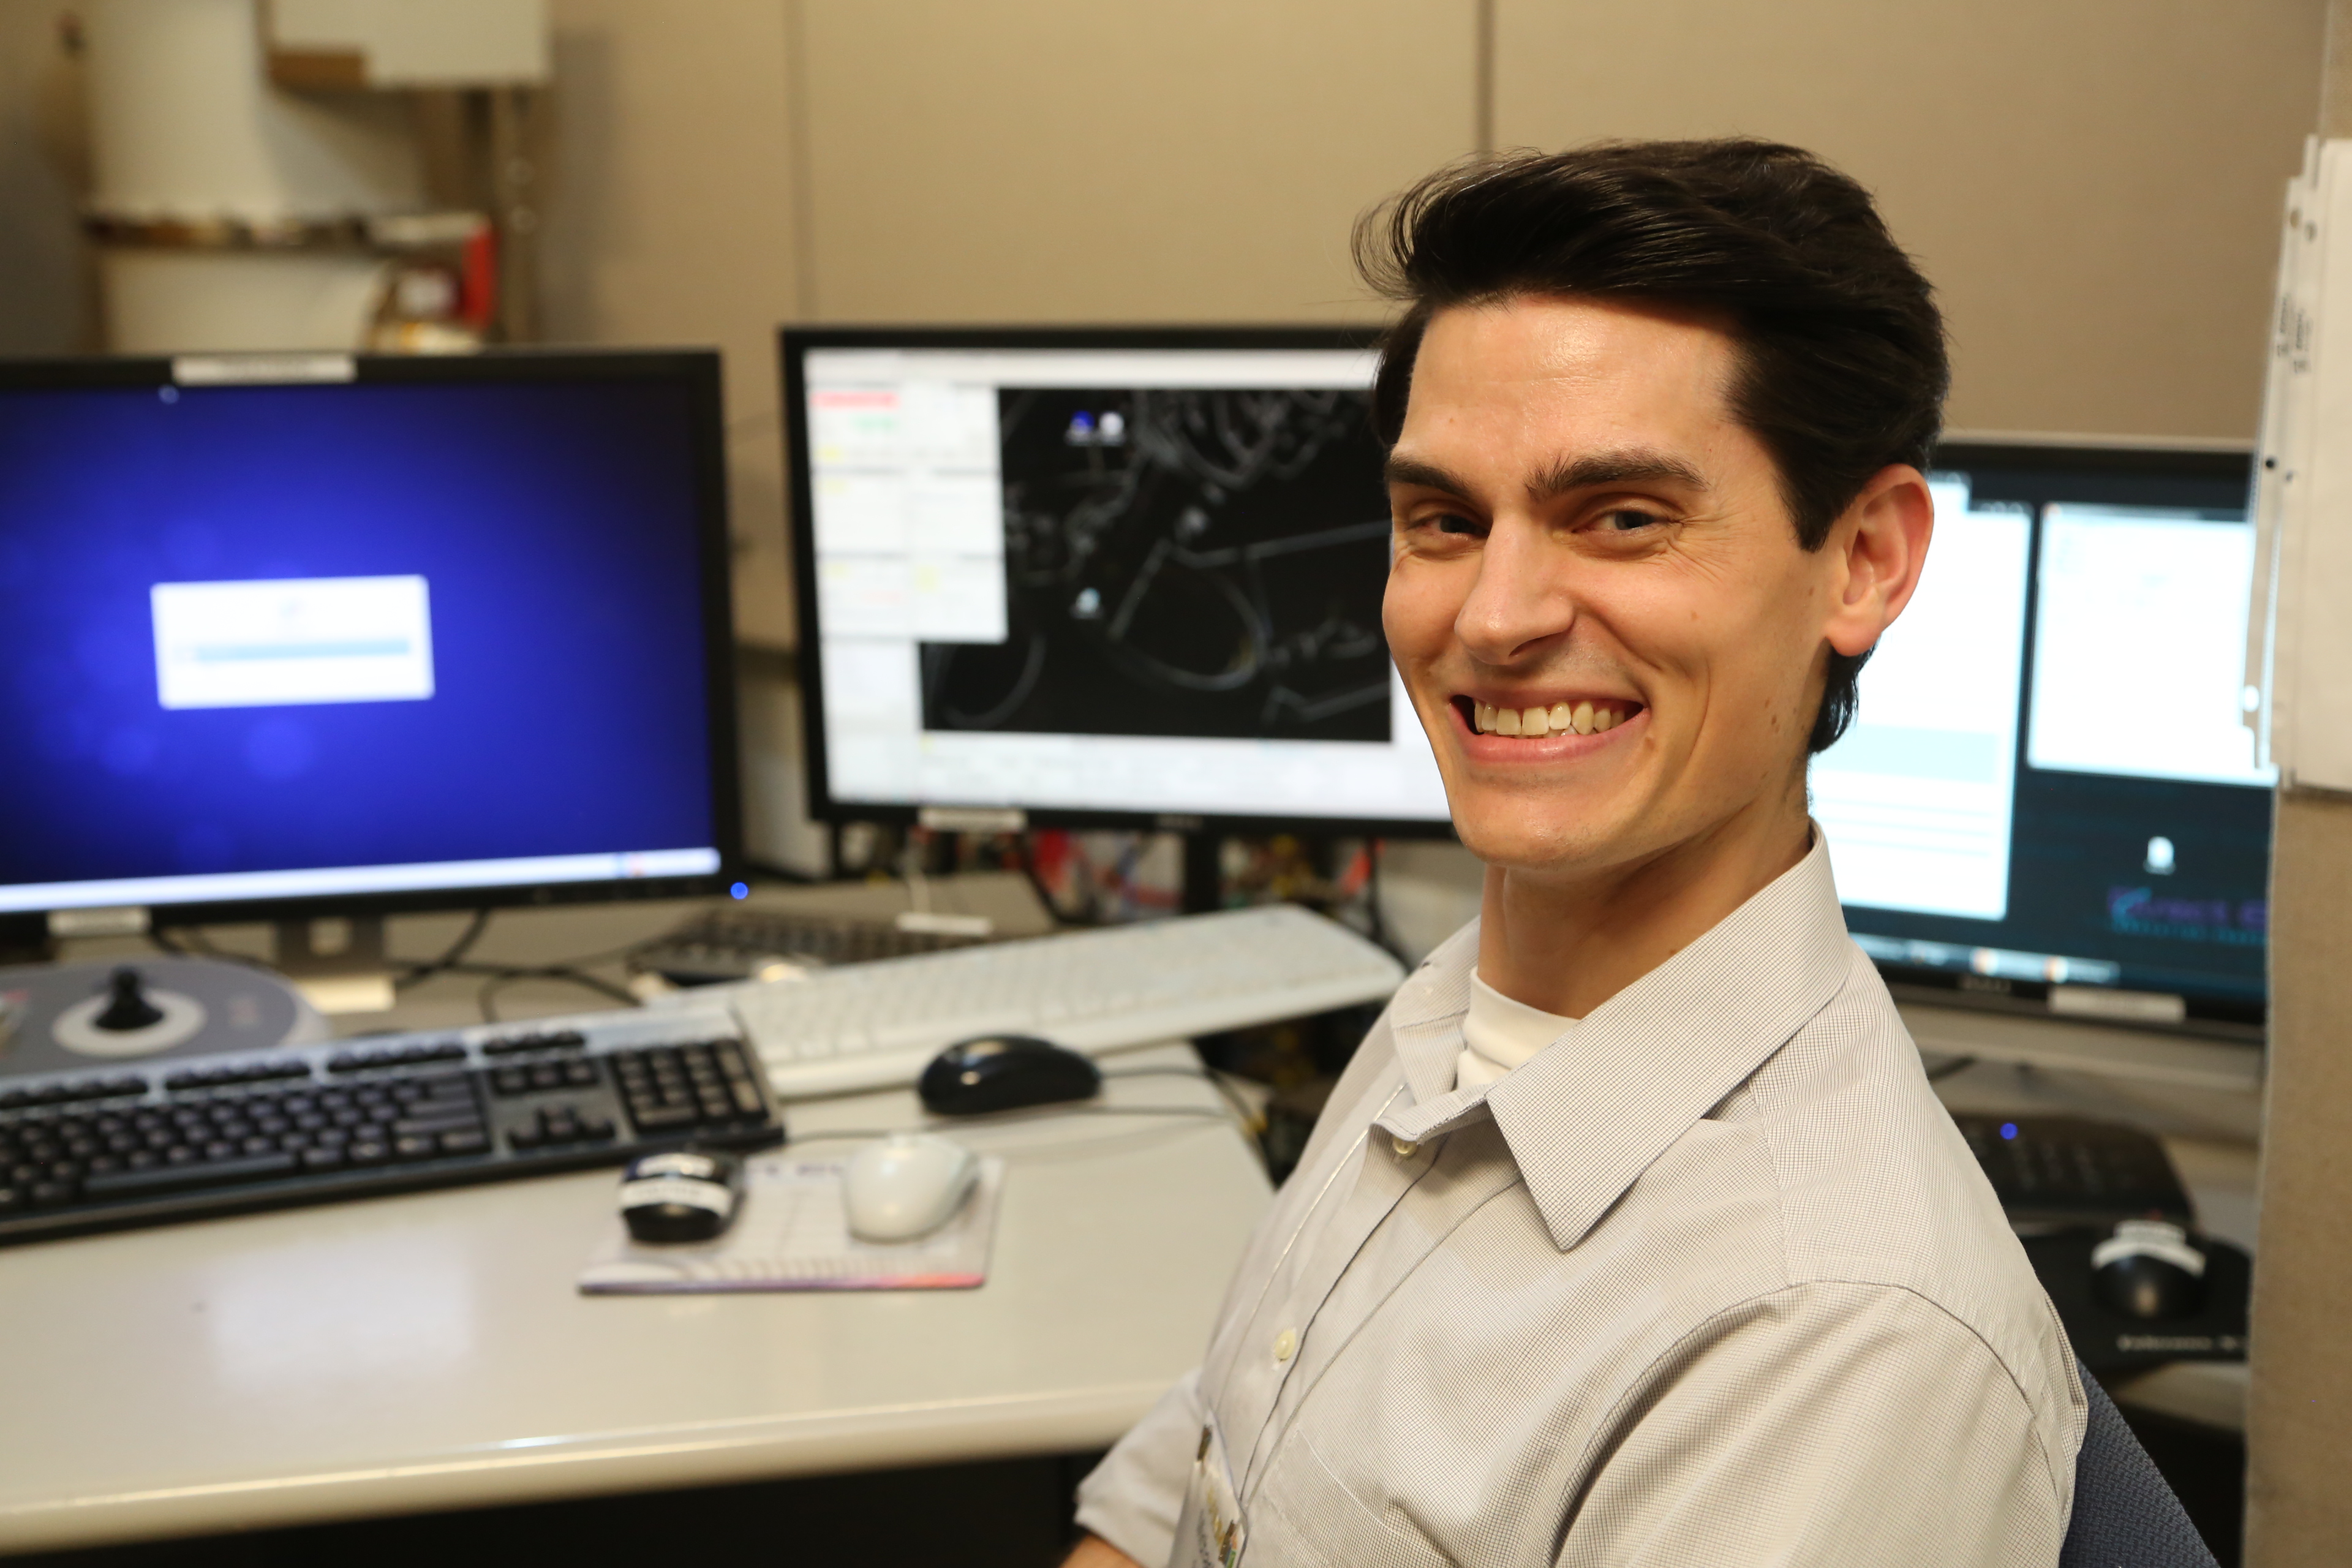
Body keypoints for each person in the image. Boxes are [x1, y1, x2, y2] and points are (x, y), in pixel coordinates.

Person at [1063, 139, 2085, 1567]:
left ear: (1863, 559)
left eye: (1622, 517)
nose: (1493, 618)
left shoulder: (1835, 1333)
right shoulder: (1456, 1002)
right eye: (1444, 521)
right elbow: (1212, 1461)